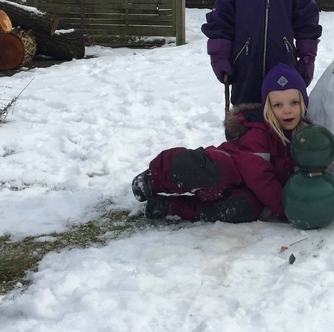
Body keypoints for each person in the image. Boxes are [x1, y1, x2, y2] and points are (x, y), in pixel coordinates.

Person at [131, 63, 311, 223]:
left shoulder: (304, 136)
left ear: (304, 102)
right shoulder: (260, 134)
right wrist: (286, 209)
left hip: (246, 190)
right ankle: (153, 177)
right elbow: (259, 177)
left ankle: (168, 207)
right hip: (226, 168)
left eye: (294, 102)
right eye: (278, 105)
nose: (287, 110)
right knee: (211, 170)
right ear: (267, 109)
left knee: (245, 208)